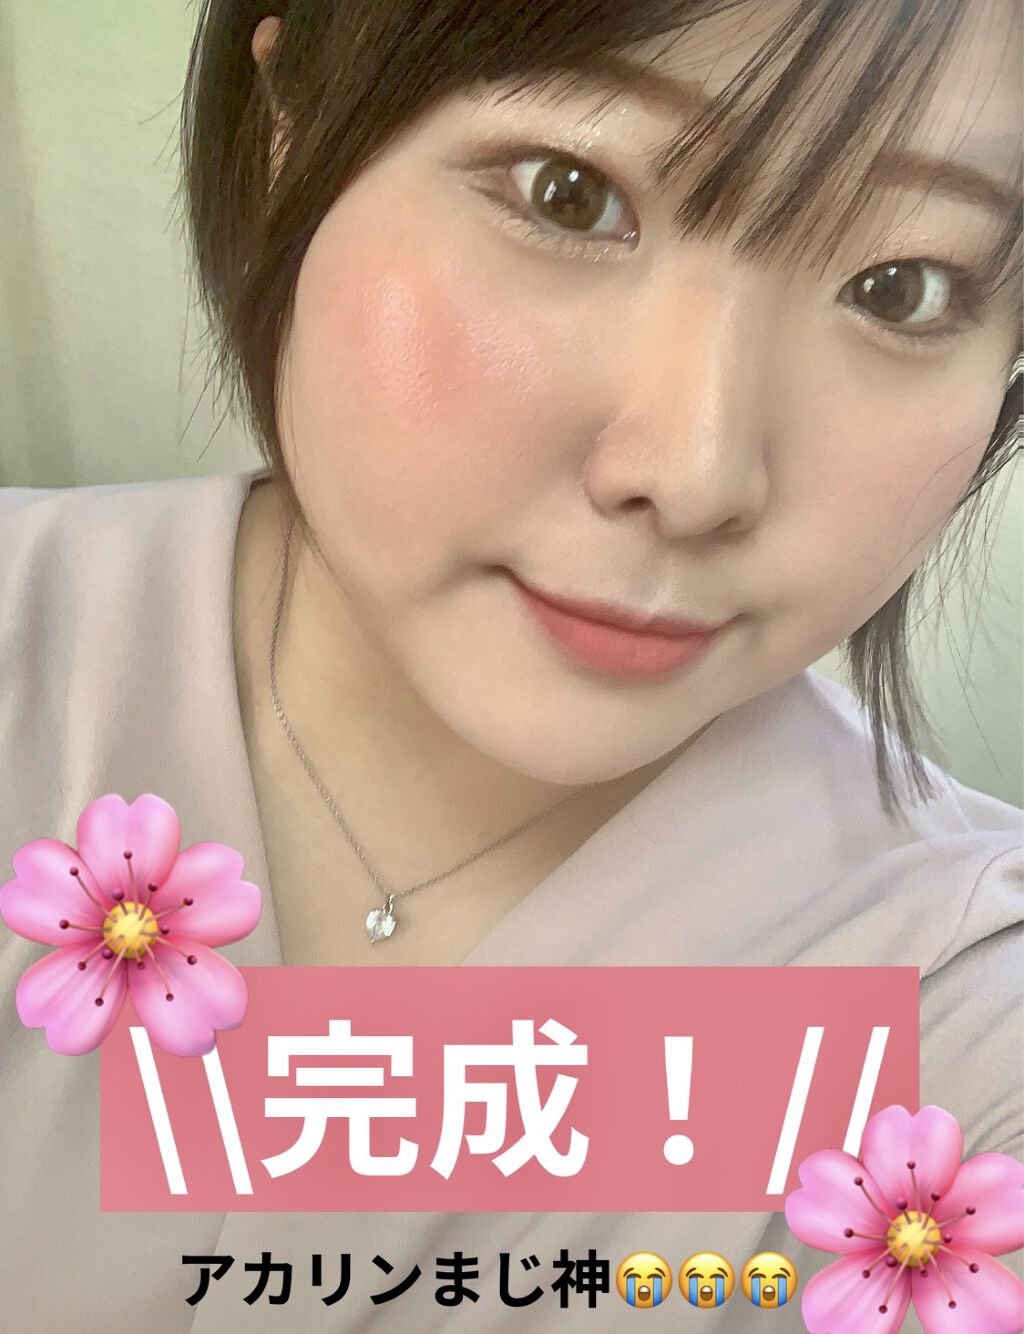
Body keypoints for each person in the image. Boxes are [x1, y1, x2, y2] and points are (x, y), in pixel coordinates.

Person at [0, 0, 1021, 1329]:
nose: (694, 472)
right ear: (287, 120)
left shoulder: (960, 1003)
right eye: (568, 193)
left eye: (902, 288)